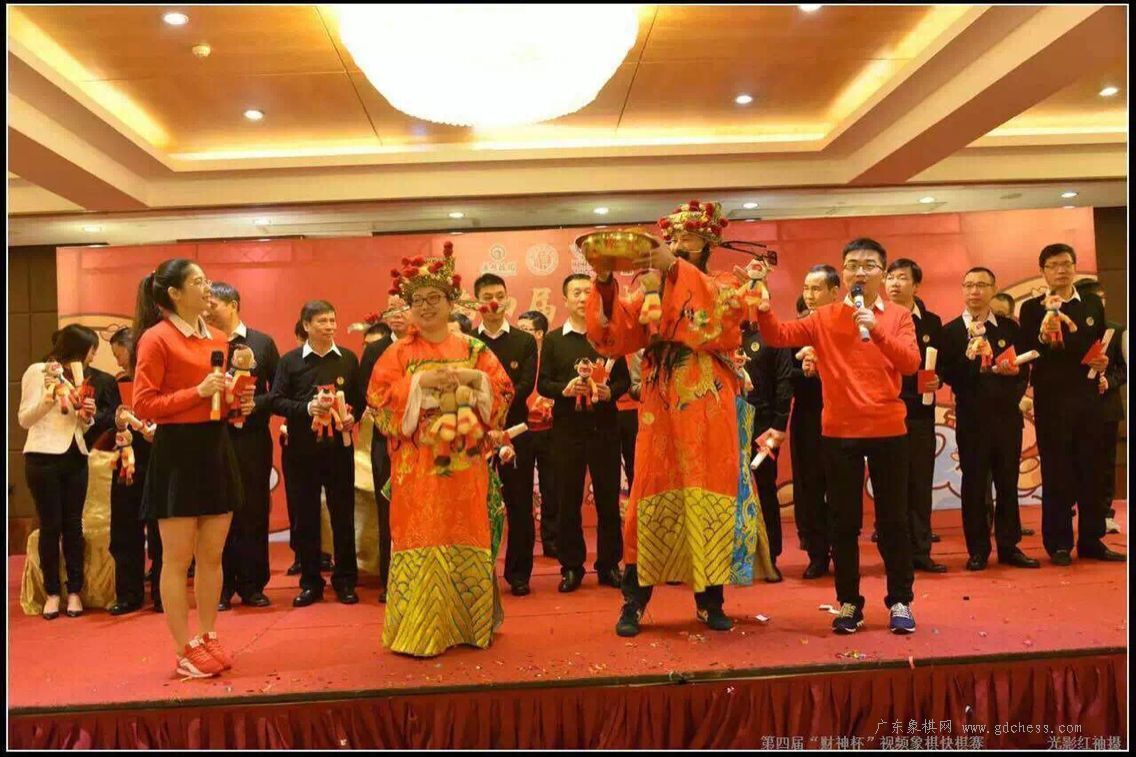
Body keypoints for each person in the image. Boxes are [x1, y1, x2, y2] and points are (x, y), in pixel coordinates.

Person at [587, 200, 776, 637]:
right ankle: (634, 602)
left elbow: (721, 318)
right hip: (661, 404)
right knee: (649, 493)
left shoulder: (725, 283)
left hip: (707, 399)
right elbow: (616, 336)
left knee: (707, 494)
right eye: (671, 239)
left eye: (686, 238)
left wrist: (674, 266)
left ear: (707, 243)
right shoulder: (649, 289)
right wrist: (605, 282)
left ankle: (710, 601)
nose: (675, 245)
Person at [757, 238, 920, 635]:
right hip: (839, 431)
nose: (859, 271)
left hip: (888, 429)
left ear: (882, 272)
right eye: (852, 265)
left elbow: (910, 363)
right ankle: (849, 602)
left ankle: (900, 600)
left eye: (868, 265)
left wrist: (875, 330)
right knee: (843, 522)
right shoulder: (824, 316)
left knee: (894, 521)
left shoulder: (898, 315)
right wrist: (761, 306)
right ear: (843, 273)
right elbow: (778, 335)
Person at [367, 241, 514, 657]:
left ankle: (469, 625)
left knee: (465, 532)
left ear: (451, 303)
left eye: (435, 298)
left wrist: (475, 380)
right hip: (417, 469)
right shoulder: (396, 354)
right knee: (421, 535)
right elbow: (378, 403)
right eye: (418, 301)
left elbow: (503, 392)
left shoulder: (475, 349)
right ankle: (420, 630)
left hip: (465, 466)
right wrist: (419, 383)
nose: (426, 307)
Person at [132, 259, 250, 678]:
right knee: (177, 559)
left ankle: (207, 633)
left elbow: (218, 400)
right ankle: (184, 648)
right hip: (177, 454)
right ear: (174, 293)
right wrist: (196, 391)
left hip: (215, 446)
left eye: (207, 280)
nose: (208, 288)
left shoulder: (217, 337)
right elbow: (143, 404)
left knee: (212, 554)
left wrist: (237, 400)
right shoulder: (156, 338)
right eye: (198, 282)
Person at [1017, 244, 1124, 565]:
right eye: (1053, 265)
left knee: (1092, 470)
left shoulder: (1090, 303)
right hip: (1052, 399)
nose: (1061, 270)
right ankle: (1059, 543)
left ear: (1075, 267)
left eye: (1066, 263)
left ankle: (1092, 539)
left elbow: (1097, 346)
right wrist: (1043, 336)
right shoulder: (1032, 308)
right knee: (1057, 472)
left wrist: (1102, 361)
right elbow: (1028, 351)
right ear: (1043, 271)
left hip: (1089, 399)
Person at [940, 267, 1039, 570]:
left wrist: (1013, 376)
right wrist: (969, 357)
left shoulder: (1008, 328)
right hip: (971, 419)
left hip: (1006, 418)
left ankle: (1009, 546)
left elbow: (1023, 372)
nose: (975, 291)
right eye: (969, 285)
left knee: (1008, 483)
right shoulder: (951, 332)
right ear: (962, 290)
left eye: (982, 285)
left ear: (994, 289)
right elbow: (947, 375)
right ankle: (978, 550)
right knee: (974, 485)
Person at [540, 274, 630, 594]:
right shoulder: (554, 340)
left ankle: (609, 565)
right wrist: (564, 390)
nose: (581, 298)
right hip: (567, 430)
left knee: (608, 500)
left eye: (586, 293)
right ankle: (571, 566)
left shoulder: (608, 337)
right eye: (575, 293)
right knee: (568, 500)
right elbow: (543, 383)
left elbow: (623, 381)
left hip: (604, 429)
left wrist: (610, 392)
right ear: (565, 300)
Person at [271, 300, 363, 606]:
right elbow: (276, 400)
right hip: (301, 452)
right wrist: (307, 408)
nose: (329, 326)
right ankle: (310, 582)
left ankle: (346, 580)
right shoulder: (290, 361)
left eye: (332, 320)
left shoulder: (347, 359)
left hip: (339, 451)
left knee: (343, 515)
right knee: (305, 518)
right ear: (306, 325)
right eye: (322, 321)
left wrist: (352, 417)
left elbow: (361, 399)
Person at [18, 325, 100, 620]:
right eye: (91, 350)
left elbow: (80, 426)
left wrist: (87, 416)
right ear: (78, 348)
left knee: (74, 526)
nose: (92, 357)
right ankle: (52, 592)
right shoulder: (38, 372)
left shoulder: (78, 377)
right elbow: (24, 419)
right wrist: (49, 398)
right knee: (50, 526)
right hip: (43, 458)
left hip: (75, 457)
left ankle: (74, 590)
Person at [207, 282, 281, 610]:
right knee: (218, 513)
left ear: (233, 304)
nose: (207, 311)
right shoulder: (204, 343)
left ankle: (253, 585)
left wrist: (256, 404)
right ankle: (221, 587)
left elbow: (278, 392)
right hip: (215, 439)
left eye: (212, 305)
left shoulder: (262, 343)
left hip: (252, 439)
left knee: (254, 510)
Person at [473, 274, 539, 596]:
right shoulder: (468, 342)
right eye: (488, 296)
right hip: (476, 433)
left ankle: (518, 573)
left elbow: (525, 384)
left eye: (500, 295)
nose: (495, 302)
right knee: (476, 505)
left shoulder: (524, 341)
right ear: (477, 302)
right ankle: (478, 571)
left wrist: (499, 409)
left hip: (516, 431)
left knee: (519, 503)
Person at [883, 259, 947, 573]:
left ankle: (921, 551)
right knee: (891, 487)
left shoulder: (932, 323)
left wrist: (938, 380)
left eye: (902, 278)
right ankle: (893, 554)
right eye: (890, 277)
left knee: (919, 484)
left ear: (916, 285)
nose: (894, 283)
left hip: (920, 413)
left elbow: (942, 366)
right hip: (884, 413)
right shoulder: (876, 319)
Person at [106, 327, 162, 615]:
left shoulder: (159, 379)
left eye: (120, 354)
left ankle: (164, 594)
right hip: (126, 463)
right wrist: (117, 421)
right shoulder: (115, 384)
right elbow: (104, 422)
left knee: (161, 530)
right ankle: (129, 593)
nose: (118, 361)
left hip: (158, 459)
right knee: (125, 529)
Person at [792, 264, 840, 579]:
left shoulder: (849, 327)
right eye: (806, 289)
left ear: (834, 293)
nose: (810, 295)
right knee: (809, 489)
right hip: (808, 419)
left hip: (841, 417)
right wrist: (805, 372)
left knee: (840, 489)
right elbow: (785, 376)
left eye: (816, 289)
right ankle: (817, 554)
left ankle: (843, 551)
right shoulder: (796, 331)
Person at [358, 298, 406, 604]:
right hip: (385, 441)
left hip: (422, 441)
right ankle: (391, 580)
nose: (397, 315)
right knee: (387, 510)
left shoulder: (425, 346)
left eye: (403, 308)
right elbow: (367, 394)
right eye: (392, 310)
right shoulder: (376, 350)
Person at [1073, 278, 1126, 536]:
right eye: (1095, 299)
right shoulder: (1068, 330)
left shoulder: (1116, 330)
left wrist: (1110, 381)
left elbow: (1124, 368)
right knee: (1072, 462)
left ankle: (1104, 513)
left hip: (1106, 408)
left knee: (1104, 464)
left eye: (1102, 299)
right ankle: (1070, 510)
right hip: (1073, 409)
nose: (1100, 304)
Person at [741, 324, 793, 583]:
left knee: (765, 488)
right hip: (726, 422)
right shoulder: (720, 334)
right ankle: (731, 557)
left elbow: (784, 380)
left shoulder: (773, 334)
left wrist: (779, 423)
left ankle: (771, 556)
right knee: (727, 490)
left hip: (763, 425)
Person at [516, 311, 559, 557]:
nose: (520, 334)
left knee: (552, 488)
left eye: (526, 330)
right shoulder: (516, 354)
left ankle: (552, 540)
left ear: (540, 333)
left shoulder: (552, 355)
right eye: (518, 329)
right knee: (520, 490)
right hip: (521, 430)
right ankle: (524, 544)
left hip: (550, 431)